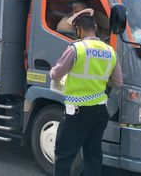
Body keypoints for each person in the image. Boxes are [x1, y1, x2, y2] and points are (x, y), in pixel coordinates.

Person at [50, 9, 123, 176]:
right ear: (95, 28)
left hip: (77, 113)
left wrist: (53, 72)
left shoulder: (77, 49)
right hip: (99, 112)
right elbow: (118, 82)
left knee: (64, 155)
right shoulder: (110, 51)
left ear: (78, 30)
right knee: (93, 155)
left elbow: (56, 74)